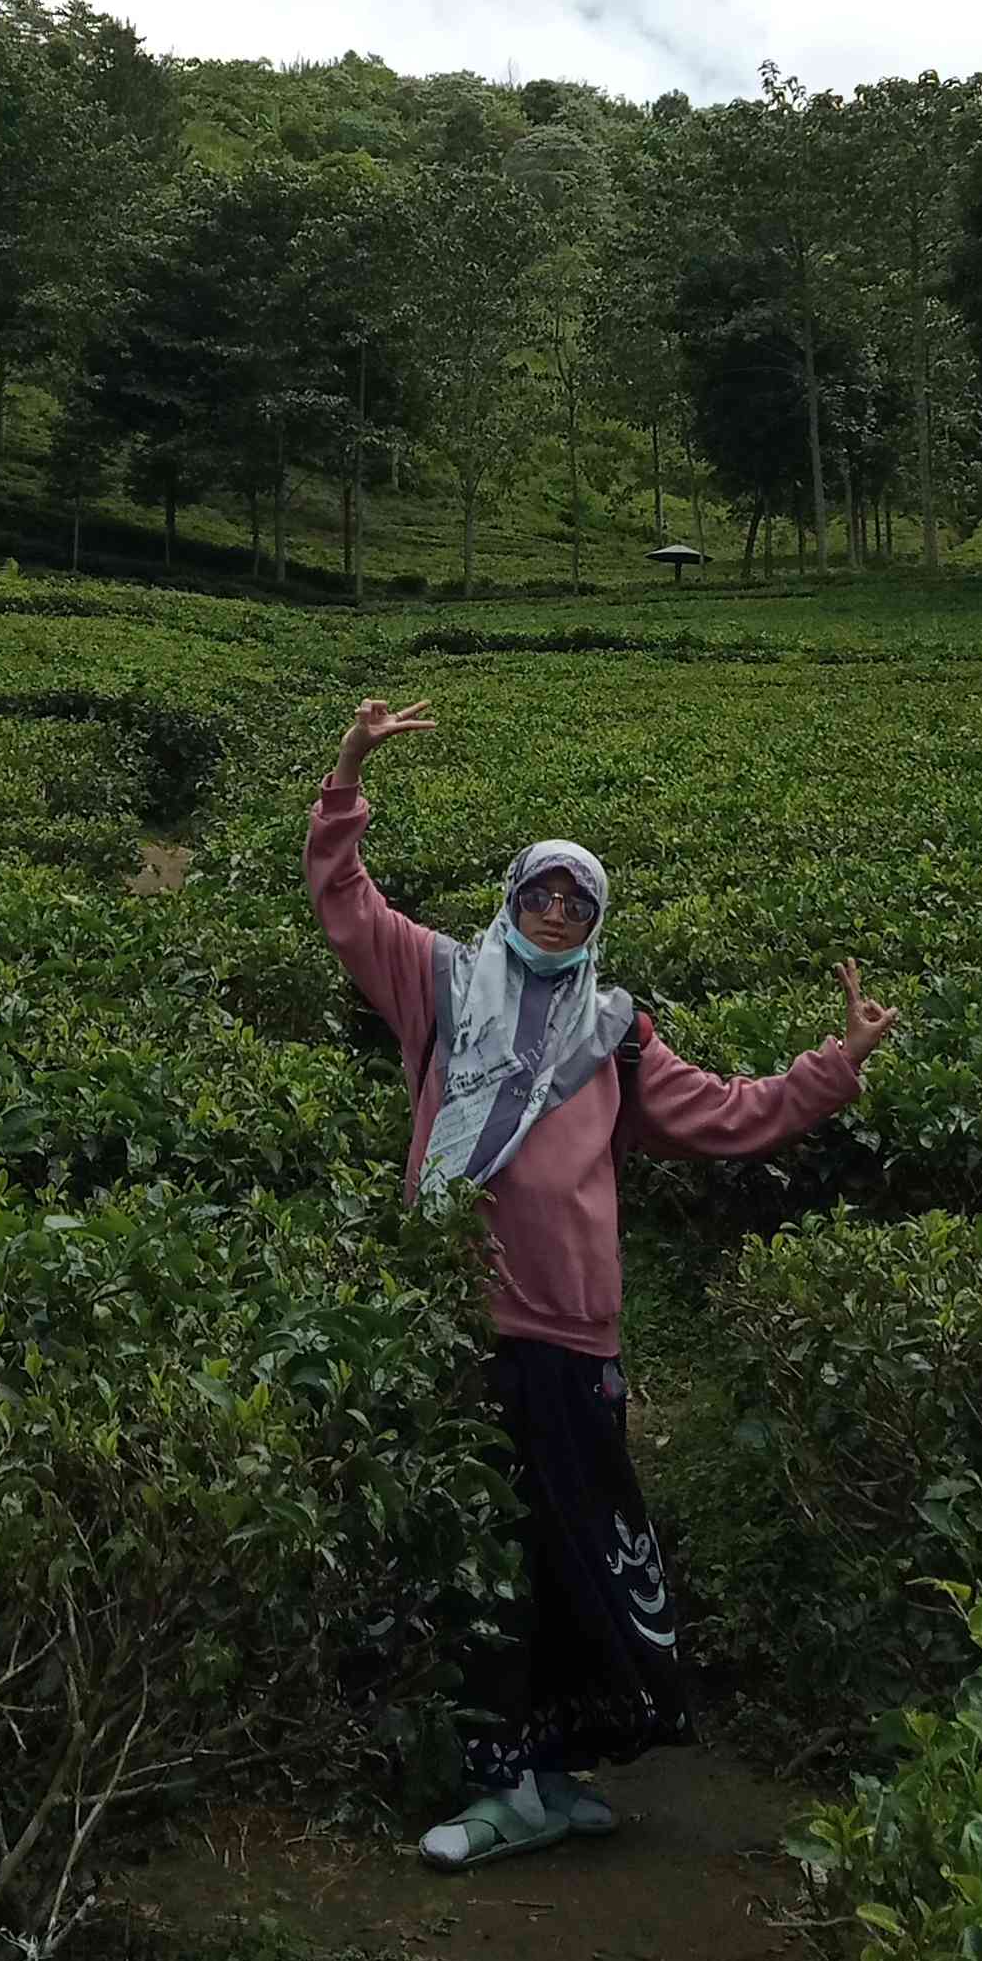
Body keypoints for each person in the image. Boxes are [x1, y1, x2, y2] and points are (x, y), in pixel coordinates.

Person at [309, 692, 898, 1871]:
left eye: (579, 899)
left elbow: (730, 1114)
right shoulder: (439, 978)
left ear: (597, 918)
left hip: (577, 1329)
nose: (558, 910)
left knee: (575, 1545)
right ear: (513, 898)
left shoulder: (617, 1031)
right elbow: (345, 903)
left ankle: (555, 1768)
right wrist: (346, 777)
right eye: (542, 891)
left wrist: (832, 1068)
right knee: (494, 1548)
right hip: (465, 1312)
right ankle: (499, 1778)